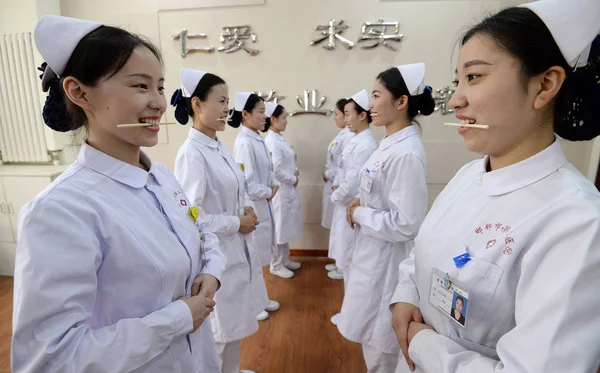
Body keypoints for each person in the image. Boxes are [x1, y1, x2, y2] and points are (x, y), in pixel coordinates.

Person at [390, 1, 600, 372]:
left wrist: (422, 344)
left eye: (473, 77)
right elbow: (423, 251)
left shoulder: (578, 223)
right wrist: (407, 294)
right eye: (458, 81)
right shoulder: (467, 176)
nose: (455, 100)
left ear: (544, 84)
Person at [11, 15, 226, 373]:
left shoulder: (162, 178)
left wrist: (213, 271)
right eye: (141, 86)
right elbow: (50, 360)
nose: (158, 102)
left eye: (159, 86)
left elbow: (201, 229)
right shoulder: (60, 211)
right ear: (78, 92)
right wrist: (177, 319)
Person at [338, 63, 433, 372]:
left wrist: (361, 212)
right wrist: (361, 201)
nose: (371, 104)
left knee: (381, 349)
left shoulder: (406, 153)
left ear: (401, 102)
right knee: (372, 343)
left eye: (377, 95)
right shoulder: (389, 144)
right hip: (372, 254)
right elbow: (380, 191)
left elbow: (407, 223)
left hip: (386, 263)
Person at [172, 68, 263, 373]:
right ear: (197, 104)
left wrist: (247, 209)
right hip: (216, 259)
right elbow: (191, 219)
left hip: (236, 252)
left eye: (228, 102)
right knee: (219, 337)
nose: (228, 109)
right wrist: (238, 223)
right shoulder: (192, 154)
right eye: (221, 101)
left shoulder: (218, 146)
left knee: (233, 328)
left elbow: (237, 187)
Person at [328, 89, 378, 324]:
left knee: (349, 262)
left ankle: (350, 314)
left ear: (362, 115)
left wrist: (336, 195)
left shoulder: (365, 144)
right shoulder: (357, 140)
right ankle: (349, 311)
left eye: (348, 114)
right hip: (344, 206)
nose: (345, 120)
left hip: (349, 207)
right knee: (346, 260)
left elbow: (352, 181)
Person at [231, 92, 282, 317]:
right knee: (253, 258)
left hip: (264, 204)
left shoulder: (256, 138)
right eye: (260, 112)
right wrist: (268, 191)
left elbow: (267, 171)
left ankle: (261, 300)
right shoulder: (244, 143)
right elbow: (248, 184)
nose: (265, 116)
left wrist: (270, 187)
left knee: (260, 257)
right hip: (255, 205)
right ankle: (252, 305)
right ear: (245, 114)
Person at [264, 102, 303, 277]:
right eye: (284, 118)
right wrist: (293, 178)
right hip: (281, 191)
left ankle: (285, 259)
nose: (286, 121)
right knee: (279, 228)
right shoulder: (272, 141)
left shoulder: (279, 138)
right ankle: (276, 264)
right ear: (272, 119)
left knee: (285, 227)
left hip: (287, 190)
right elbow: (276, 169)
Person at [323, 98, 355, 273]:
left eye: (338, 114)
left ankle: (341, 267)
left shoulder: (351, 137)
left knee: (344, 234)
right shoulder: (345, 135)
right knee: (339, 233)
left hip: (342, 192)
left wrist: (330, 176)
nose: (335, 117)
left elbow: (344, 169)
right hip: (337, 188)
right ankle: (339, 264)